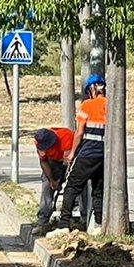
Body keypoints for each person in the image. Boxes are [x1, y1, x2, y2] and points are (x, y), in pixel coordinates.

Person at [49, 74, 106, 236]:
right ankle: (99, 224)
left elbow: (79, 132)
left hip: (87, 153)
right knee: (98, 190)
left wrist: (72, 154)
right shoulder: (111, 104)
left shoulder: (87, 105)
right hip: (103, 155)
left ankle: (63, 224)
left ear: (92, 88)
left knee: (72, 187)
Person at [32, 126, 74, 231]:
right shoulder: (39, 143)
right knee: (46, 186)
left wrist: (61, 180)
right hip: (53, 162)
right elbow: (44, 162)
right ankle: (43, 221)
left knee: (75, 186)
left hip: (70, 161)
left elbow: (67, 162)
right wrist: (52, 181)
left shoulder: (66, 136)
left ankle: (81, 218)